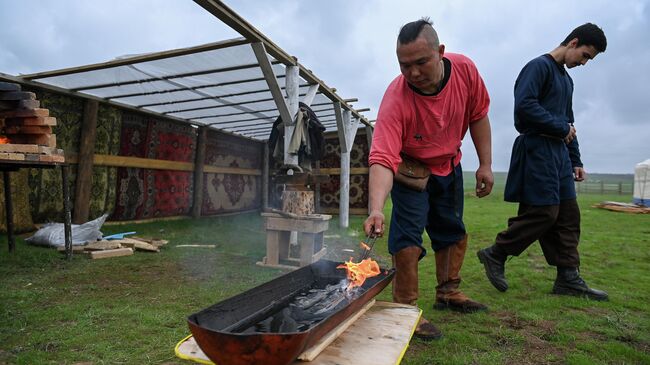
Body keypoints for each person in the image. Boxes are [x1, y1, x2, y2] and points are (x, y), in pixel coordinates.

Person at [363, 18, 494, 340]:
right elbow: (381, 158)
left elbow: (478, 116)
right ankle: (406, 309)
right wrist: (377, 208)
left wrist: (486, 165)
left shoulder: (465, 70)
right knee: (407, 236)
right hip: (410, 172)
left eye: (421, 62)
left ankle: (448, 293)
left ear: (441, 52)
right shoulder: (396, 98)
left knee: (450, 228)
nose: (413, 73)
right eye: (404, 65)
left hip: (450, 164)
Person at [477, 23, 608, 301]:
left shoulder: (567, 80)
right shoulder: (538, 67)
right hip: (537, 148)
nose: (584, 63)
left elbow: (568, 123)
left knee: (569, 216)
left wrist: (576, 159)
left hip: (559, 155)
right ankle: (496, 253)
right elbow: (524, 106)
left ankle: (568, 278)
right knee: (544, 213)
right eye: (585, 55)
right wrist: (561, 128)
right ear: (573, 42)